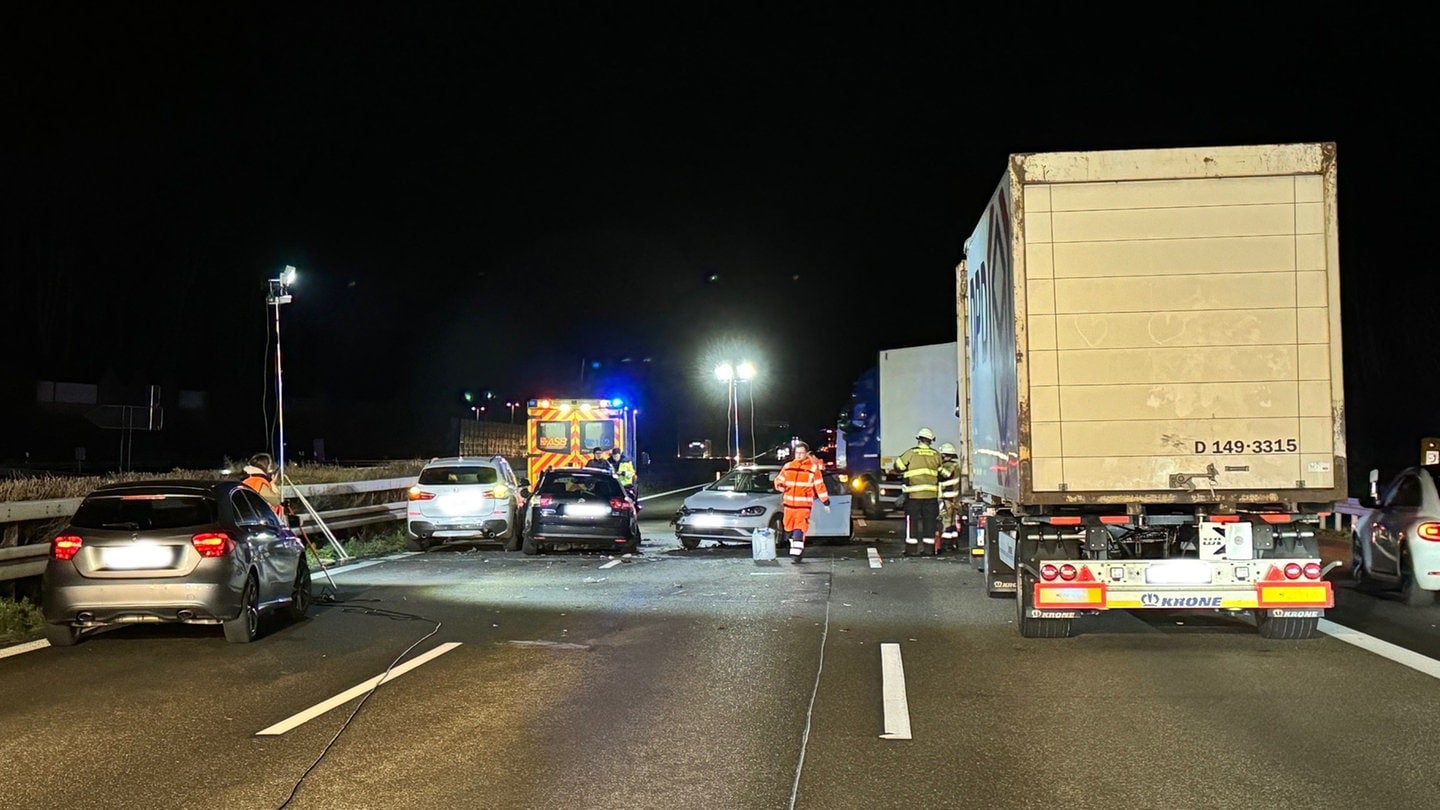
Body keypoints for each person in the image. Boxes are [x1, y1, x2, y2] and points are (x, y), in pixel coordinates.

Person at [773, 441, 830, 564]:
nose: (799, 455)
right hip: (788, 505)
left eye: (801, 453)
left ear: (806, 454)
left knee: (799, 528)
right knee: (788, 529)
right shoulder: (788, 466)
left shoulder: (813, 469)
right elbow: (779, 479)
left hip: (803, 506)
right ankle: (797, 548)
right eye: (797, 453)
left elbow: (819, 485)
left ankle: (796, 554)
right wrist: (779, 485)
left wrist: (825, 501)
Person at [893, 427, 942, 557]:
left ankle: (911, 550)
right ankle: (929, 550)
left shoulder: (911, 453)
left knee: (912, 523)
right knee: (930, 523)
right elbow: (942, 473)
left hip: (913, 496)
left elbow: (898, 466)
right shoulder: (936, 454)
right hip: (931, 496)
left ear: (919, 439)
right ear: (931, 441)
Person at [936, 442, 963, 554]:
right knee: (952, 523)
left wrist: (936, 467)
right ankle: (953, 543)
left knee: (946, 522)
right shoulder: (957, 466)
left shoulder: (948, 466)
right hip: (955, 498)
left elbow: (944, 475)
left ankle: (947, 546)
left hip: (947, 499)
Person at [241, 453, 285, 518]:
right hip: (258, 519)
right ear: (265, 466)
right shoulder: (258, 482)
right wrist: (272, 483)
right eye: (269, 465)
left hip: (248, 516)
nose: (270, 467)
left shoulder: (247, 479)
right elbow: (276, 501)